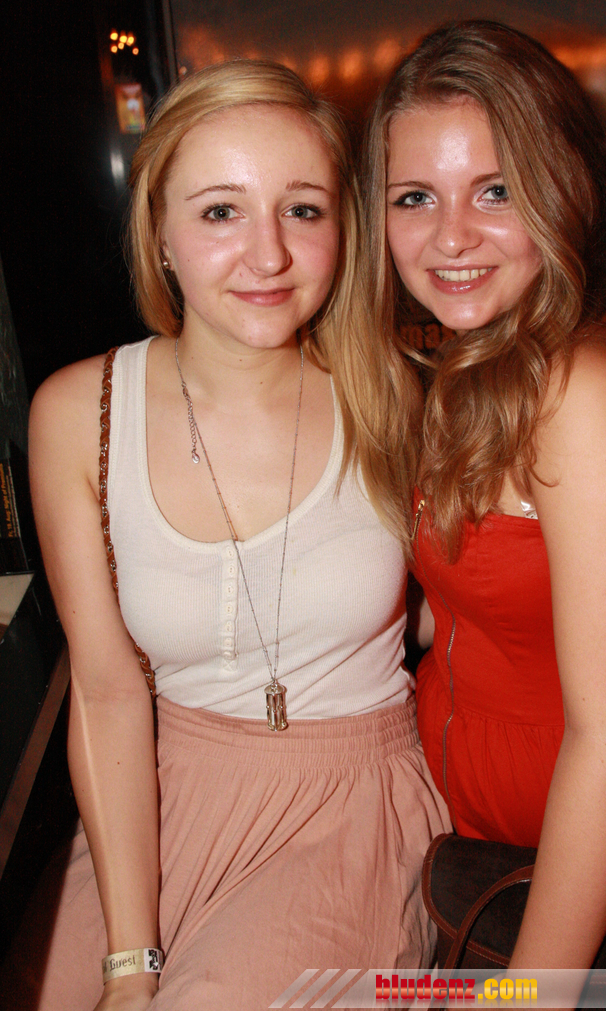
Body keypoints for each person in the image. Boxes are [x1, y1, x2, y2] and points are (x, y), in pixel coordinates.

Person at [8, 60, 449, 1011]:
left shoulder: (397, 397)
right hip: (157, 786)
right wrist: (130, 958)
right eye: (220, 212)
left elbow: (469, 606)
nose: (268, 255)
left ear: (343, 228)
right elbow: (107, 689)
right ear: (159, 233)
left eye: (302, 210)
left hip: (348, 805)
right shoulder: (79, 413)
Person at [364, 20, 606, 970]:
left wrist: (528, 996)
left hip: (603, 886)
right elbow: (466, 614)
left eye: (494, 190)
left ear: (562, 189)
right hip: (474, 853)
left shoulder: (587, 395)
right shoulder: (472, 371)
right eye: (414, 197)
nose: (450, 236)